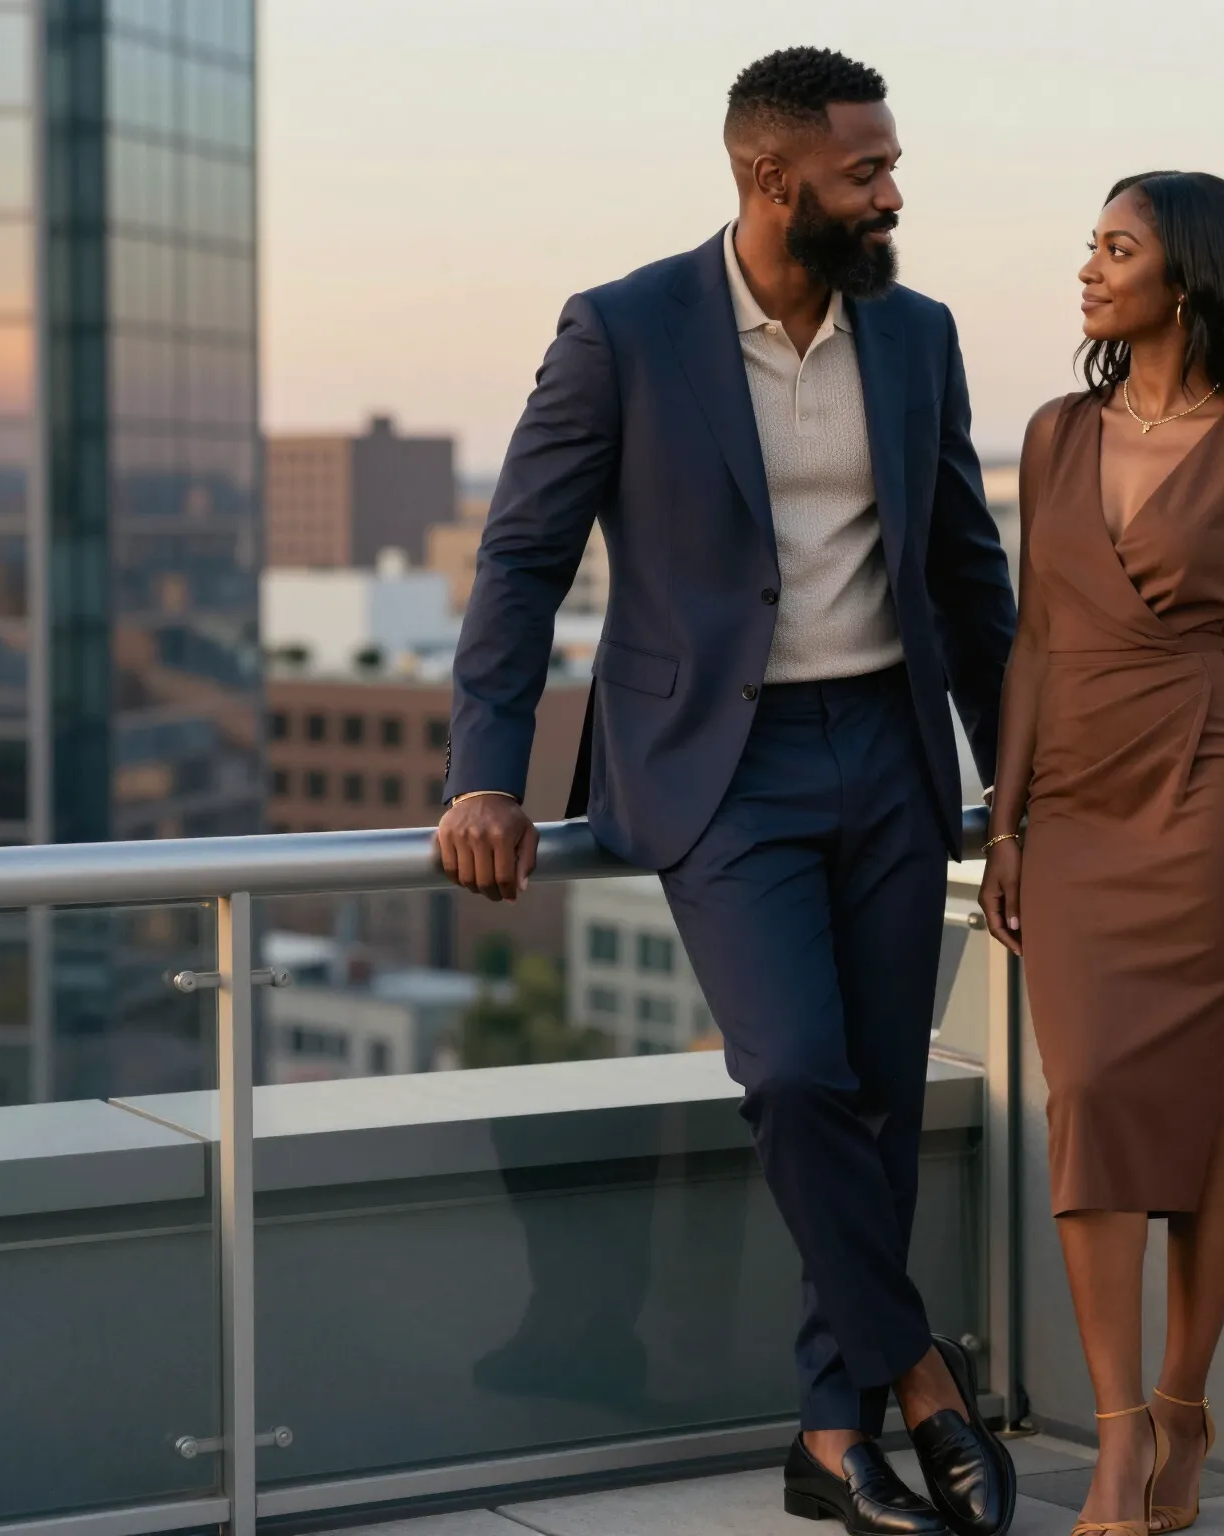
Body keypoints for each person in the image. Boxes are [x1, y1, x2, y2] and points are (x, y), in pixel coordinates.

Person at [439, 47, 1019, 1536]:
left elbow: (967, 573)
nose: (894, 191)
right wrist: (484, 778)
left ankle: (832, 1436)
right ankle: (924, 1386)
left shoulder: (915, 333)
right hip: (721, 770)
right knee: (793, 1075)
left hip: (891, 760)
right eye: (867, 168)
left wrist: (1015, 782)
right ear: (771, 176)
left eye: (892, 163)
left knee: (882, 1097)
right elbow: (521, 558)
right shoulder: (626, 330)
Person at [978, 172, 1224, 1536]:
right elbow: (1033, 642)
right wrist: (1002, 820)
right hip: (1069, 805)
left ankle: (1179, 1411)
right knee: (1094, 1098)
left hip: (1208, 788)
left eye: (1116, 248)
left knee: (1209, 1106)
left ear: (1185, 279)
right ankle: (1122, 1437)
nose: (1088, 267)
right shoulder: (1054, 433)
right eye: (1091, 243)